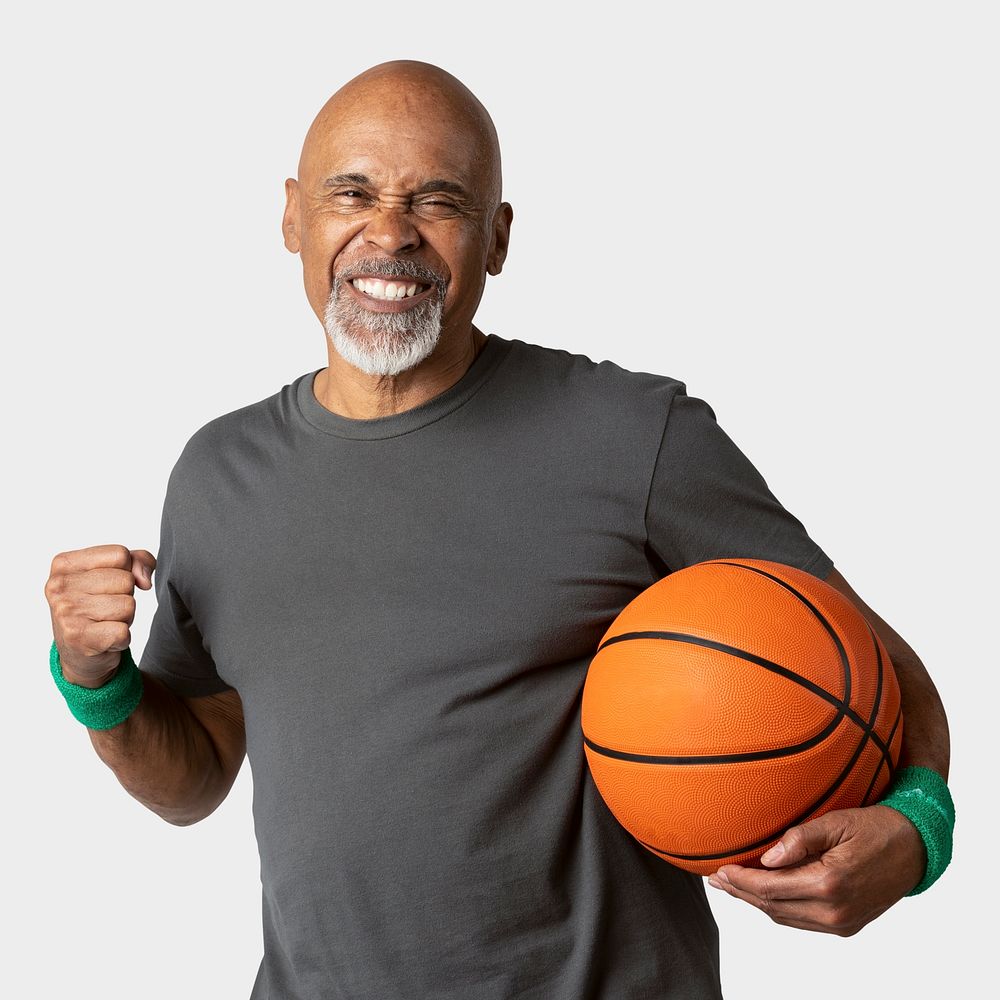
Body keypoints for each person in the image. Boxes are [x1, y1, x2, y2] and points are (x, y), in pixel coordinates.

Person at [44, 61, 952, 999]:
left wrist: (922, 822)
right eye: (351, 192)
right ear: (290, 217)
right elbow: (195, 775)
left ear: (499, 237)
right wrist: (96, 684)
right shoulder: (216, 475)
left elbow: (866, 655)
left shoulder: (633, 434)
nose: (388, 234)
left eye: (437, 201)